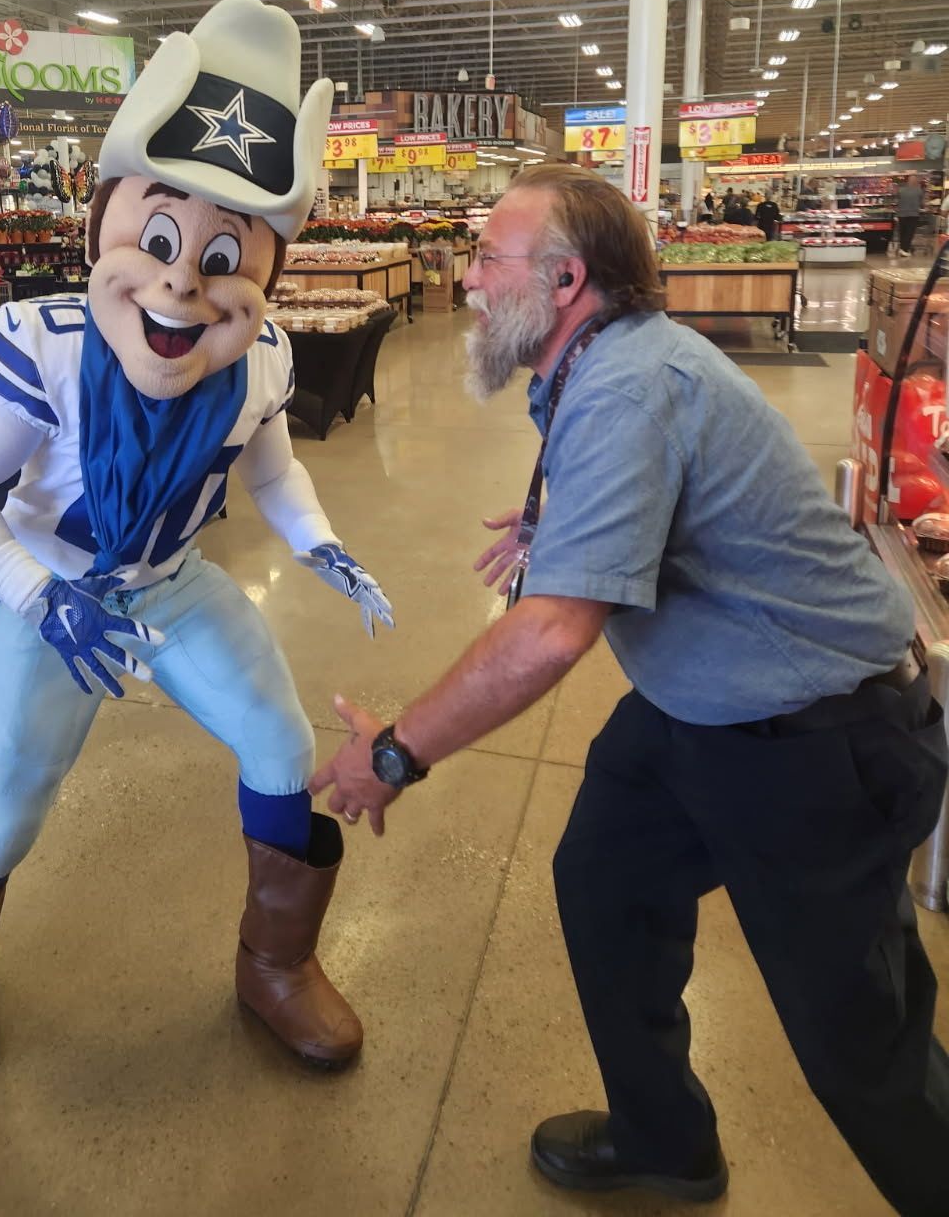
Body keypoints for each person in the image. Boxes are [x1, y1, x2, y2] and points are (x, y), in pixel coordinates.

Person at [310, 163, 948, 1217]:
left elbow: (550, 634)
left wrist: (393, 754)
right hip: (702, 706)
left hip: (819, 739)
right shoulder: (602, 365)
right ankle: (667, 1139)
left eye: (486, 259)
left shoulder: (630, 387)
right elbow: (652, 515)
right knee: (606, 879)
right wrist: (563, 533)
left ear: (564, 281)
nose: (466, 281)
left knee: (862, 1052)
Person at [0, 0, 393, 1084]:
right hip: (55, 597)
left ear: (265, 271)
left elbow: (271, 462)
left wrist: (317, 538)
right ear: (104, 226)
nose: (179, 279)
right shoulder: (49, 346)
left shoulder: (258, 362)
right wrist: (29, 589)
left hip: (169, 585)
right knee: (6, 815)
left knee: (278, 746)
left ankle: (275, 962)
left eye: (222, 255)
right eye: (159, 237)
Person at [896, 174, 923, 256]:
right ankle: (905, 250)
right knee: (909, 233)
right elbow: (921, 203)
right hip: (913, 214)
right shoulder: (919, 190)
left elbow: (898, 200)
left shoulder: (901, 190)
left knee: (902, 232)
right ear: (915, 181)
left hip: (902, 214)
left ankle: (902, 248)